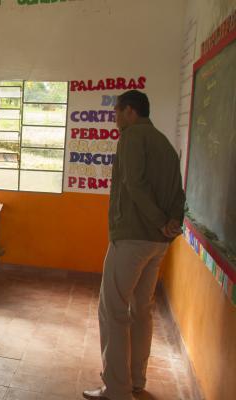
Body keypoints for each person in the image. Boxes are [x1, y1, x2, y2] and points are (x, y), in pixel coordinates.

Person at [83, 90, 185, 400]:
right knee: (142, 309)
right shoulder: (165, 144)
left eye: (116, 113)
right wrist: (171, 223)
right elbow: (178, 190)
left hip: (132, 239)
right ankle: (136, 380)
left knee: (112, 310)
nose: (115, 119)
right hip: (159, 243)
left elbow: (134, 186)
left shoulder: (131, 137)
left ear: (129, 111)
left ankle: (117, 389)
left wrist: (157, 219)